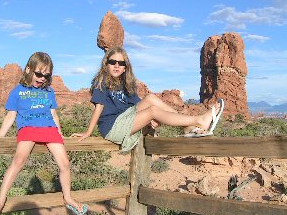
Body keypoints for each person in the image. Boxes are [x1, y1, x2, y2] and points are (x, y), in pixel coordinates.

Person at [0, 52, 87, 215]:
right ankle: (0, 199)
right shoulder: (18, 91)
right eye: (38, 74)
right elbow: (11, 115)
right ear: (28, 69)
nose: (41, 78)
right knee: (18, 161)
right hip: (28, 128)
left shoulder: (49, 91)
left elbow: (53, 114)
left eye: (46, 75)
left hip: (49, 129)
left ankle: (68, 198)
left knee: (64, 163)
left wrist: (59, 131)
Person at [73, 47, 224, 151]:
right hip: (112, 127)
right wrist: (88, 132)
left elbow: (138, 105)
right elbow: (98, 107)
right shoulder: (101, 81)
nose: (116, 66)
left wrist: (146, 119)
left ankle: (187, 127)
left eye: (121, 63)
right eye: (112, 62)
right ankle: (197, 121)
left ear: (126, 67)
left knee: (151, 98)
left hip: (126, 119)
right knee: (152, 111)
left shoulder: (126, 84)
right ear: (106, 64)